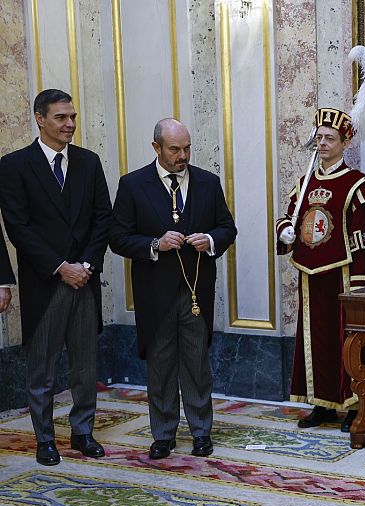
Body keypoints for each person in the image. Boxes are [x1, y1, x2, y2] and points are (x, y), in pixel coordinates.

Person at [110, 118, 236, 460]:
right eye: (175, 149)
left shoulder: (207, 183)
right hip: (155, 295)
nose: (183, 156)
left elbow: (227, 228)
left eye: (187, 148)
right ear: (156, 148)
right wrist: (155, 243)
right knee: (161, 366)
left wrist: (209, 239)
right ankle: (163, 434)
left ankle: (201, 433)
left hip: (195, 293)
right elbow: (118, 238)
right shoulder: (133, 185)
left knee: (197, 365)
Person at [0, 89, 112, 466]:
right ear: (40, 118)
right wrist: (60, 267)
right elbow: (18, 226)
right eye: (62, 118)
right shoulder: (14, 165)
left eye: (73, 117)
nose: (69, 125)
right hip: (45, 283)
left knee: (85, 366)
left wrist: (86, 266)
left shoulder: (89, 162)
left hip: (84, 280)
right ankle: (44, 439)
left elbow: (103, 220)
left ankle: (83, 433)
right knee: (43, 369)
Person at [274, 107, 365, 433]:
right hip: (310, 275)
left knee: (348, 341)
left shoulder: (358, 185)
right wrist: (283, 232)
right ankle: (320, 403)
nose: (322, 143)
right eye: (318, 137)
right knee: (315, 340)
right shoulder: (303, 183)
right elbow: (289, 217)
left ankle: (353, 404)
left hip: (344, 276)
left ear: (345, 141)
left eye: (329, 138)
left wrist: (362, 285)